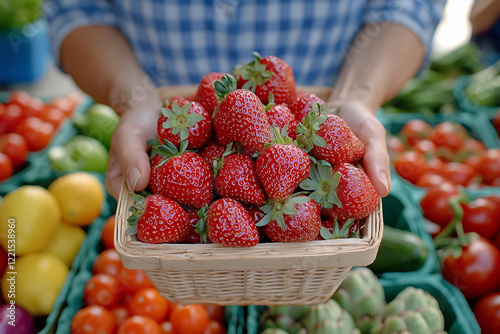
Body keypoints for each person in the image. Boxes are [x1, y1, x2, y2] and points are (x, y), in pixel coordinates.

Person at [44, 0, 446, 200]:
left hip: (316, 138)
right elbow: (75, 8)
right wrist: (135, 101)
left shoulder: (289, 150)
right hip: (173, 118)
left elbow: (411, 5)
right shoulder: (210, 146)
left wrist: (357, 96)